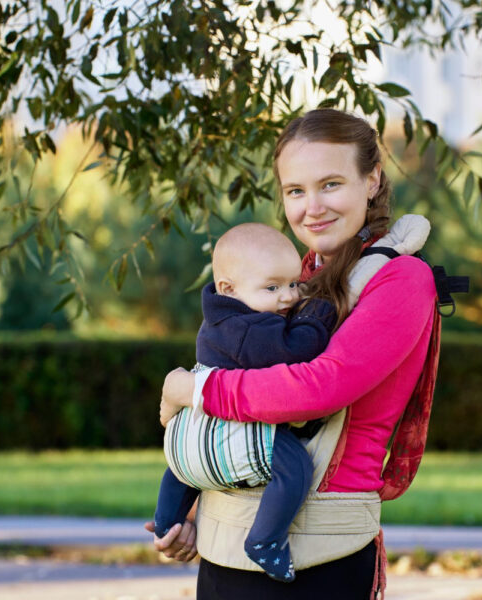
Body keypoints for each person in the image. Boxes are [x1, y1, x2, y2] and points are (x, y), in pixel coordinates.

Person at [148, 108, 440, 599]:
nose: (312, 207)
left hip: (320, 563)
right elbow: (246, 395)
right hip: (228, 554)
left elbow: (320, 388)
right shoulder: (294, 280)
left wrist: (193, 388)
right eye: (295, 191)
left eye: (330, 184)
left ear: (371, 181)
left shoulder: (401, 280)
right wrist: (197, 512)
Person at [155, 221, 338, 581]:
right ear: (229, 289)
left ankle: (166, 521)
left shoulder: (220, 321)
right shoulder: (251, 328)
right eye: (272, 287)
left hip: (189, 440)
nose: (288, 297)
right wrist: (318, 315)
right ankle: (265, 540)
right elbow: (296, 351)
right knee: (296, 466)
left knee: (183, 469)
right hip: (234, 432)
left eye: (293, 284)